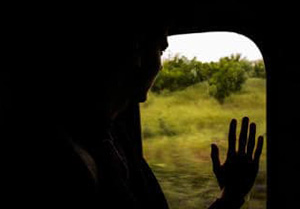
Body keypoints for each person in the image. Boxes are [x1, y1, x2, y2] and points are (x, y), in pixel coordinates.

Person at [7, 17, 263, 208]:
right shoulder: (68, 163)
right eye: (160, 50)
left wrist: (230, 194)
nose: (161, 65)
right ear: (137, 49)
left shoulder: (111, 134)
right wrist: (231, 197)